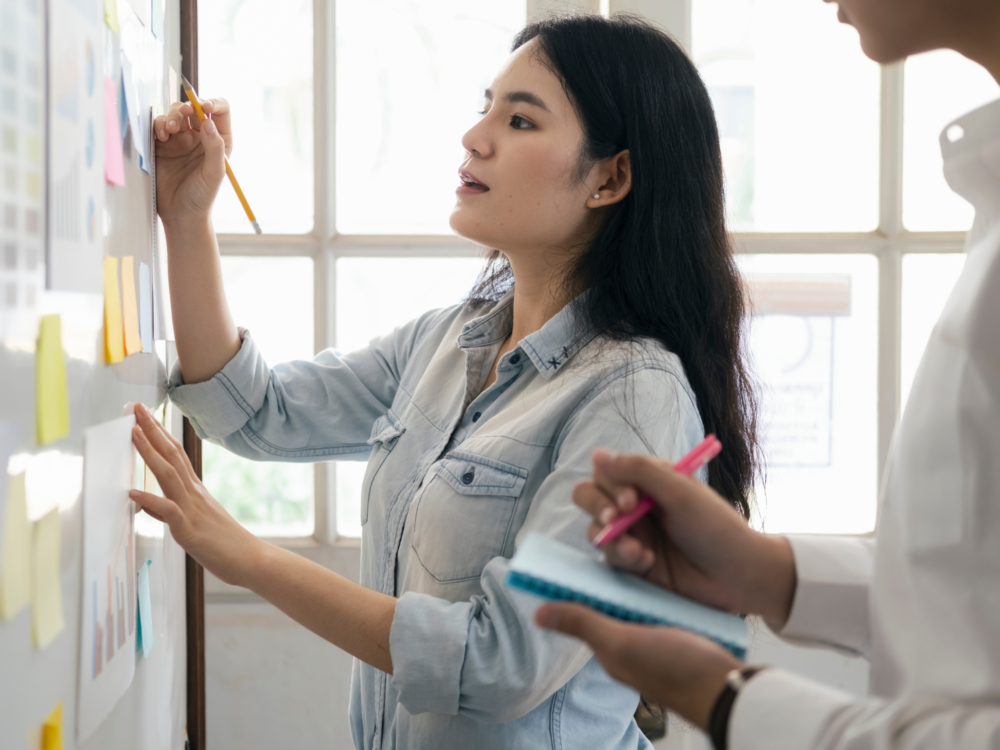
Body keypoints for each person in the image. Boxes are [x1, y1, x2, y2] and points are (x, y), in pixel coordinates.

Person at [130, 13, 761, 750]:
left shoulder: (634, 397)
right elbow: (252, 411)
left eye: (521, 119)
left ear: (610, 177)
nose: (476, 136)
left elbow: (502, 661)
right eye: (486, 105)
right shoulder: (445, 340)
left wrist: (248, 558)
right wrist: (187, 215)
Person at [534, 1, 1000, 748]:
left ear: (615, 177)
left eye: (522, 118)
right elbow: (981, 592)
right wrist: (770, 573)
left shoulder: (635, 381)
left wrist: (722, 698)